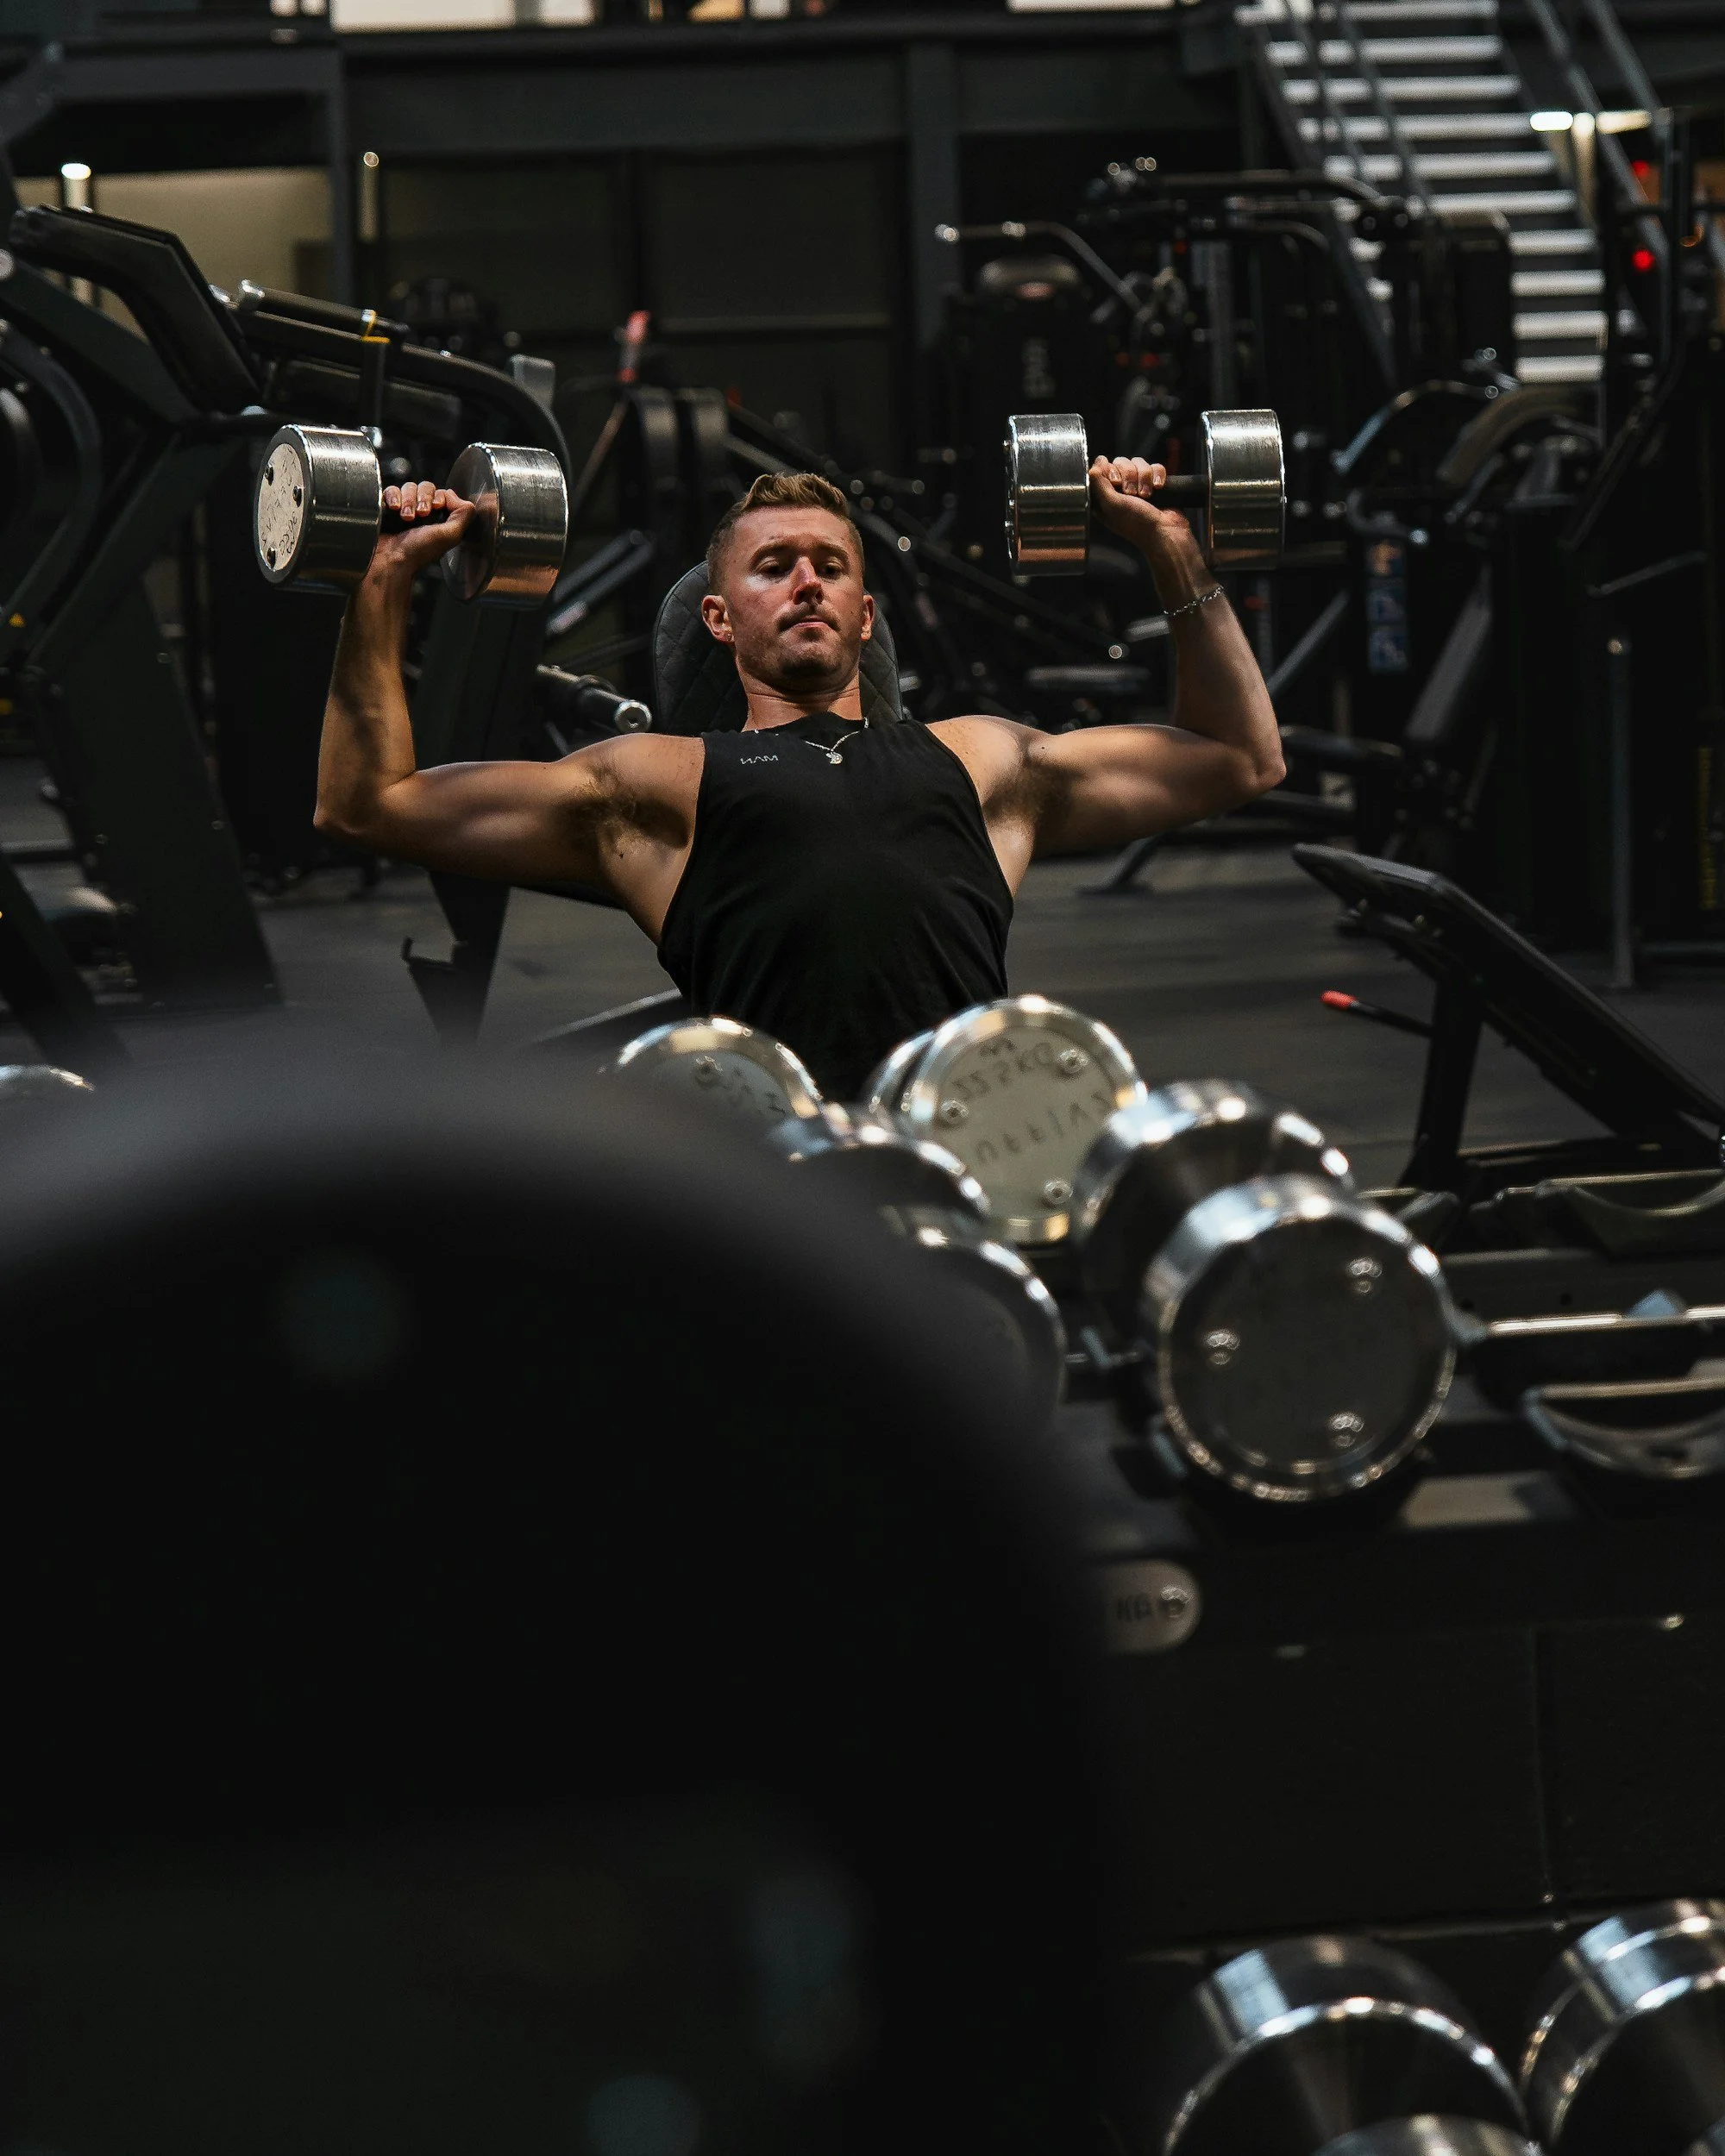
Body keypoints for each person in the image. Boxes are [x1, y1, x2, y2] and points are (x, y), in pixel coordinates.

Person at [316, 461, 1283, 1095]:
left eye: (829, 566)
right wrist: (383, 579)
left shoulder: (980, 760)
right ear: (719, 619)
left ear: (865, 616)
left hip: (962, 1149)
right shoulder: (658, 782)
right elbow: (367, 805)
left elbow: (1241, 757)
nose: (806, 582)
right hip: (778, 1169)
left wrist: (1168, 546)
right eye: (772, 566)